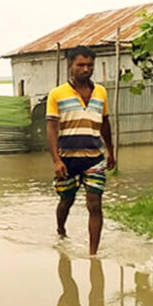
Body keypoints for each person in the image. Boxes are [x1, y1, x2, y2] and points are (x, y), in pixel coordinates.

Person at [46, 45, 115, 255]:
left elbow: (105, 123)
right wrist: (56, 160)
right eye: (81, 65)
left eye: (90, 65)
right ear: (70, 66)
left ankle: (93, 253)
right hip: (68, 158)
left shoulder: (101, 92)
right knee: (66, 200)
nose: (86, 69)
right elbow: (51, 128)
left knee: (95, 204)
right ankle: (61, 231)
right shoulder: (57, 94)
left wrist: (111, 151)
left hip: (95, 158)